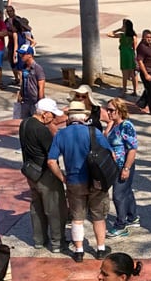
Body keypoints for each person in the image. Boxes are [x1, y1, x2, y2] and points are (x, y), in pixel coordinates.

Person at [47, 100, 113, 263]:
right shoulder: (94, 132)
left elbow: (51, 161)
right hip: (95, 181)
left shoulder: (61, 134)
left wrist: (62, 177)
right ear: (84, 117)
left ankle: (78, 251)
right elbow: (111, 154)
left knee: (77, 218)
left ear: (69, 118)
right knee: (98, 216)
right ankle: (100, 249)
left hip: (74, 181)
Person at [19, 98, 68, 252]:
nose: (53, 119)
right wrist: (61, 176)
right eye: (52, 115)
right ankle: (57, 242)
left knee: (36, 206)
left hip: (30, 172)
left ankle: (39, 239)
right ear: (44, 114)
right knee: (54, 208)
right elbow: (51, 155)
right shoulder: (41, 130)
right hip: (46, 174)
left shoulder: (25, 123)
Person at [104, 98, 140, 238]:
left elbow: (132, 149)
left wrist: (126, 168)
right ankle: (132, 217)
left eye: (111, 110)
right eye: (107, 109)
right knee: (126, 191)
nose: (108, 112)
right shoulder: (114, 125)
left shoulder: (127, 126)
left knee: (118, 195)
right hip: (114, 166)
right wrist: (109, 126)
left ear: (120, 111)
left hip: (123, 165)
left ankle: (121, 225)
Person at [106, 19, 138, 95]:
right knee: (132, 74)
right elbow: (135, 47)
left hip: (124, 54)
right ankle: (135, 91)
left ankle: (124, 91)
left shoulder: (121, 35)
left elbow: (109, 34)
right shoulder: (134, 36)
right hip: (131, 54)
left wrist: (119, 29)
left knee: (125, 74)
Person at [16, 44, 46, 119]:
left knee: (36, 121)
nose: (21, 56)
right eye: (20, 54)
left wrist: (41, 103)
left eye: (23, 54)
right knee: (24, 122)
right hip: (25, 100)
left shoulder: (37, 68)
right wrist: (20, 94)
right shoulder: (24, 67)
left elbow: (41, 86)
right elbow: (23, 82)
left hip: (34, 101)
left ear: (29, 55)